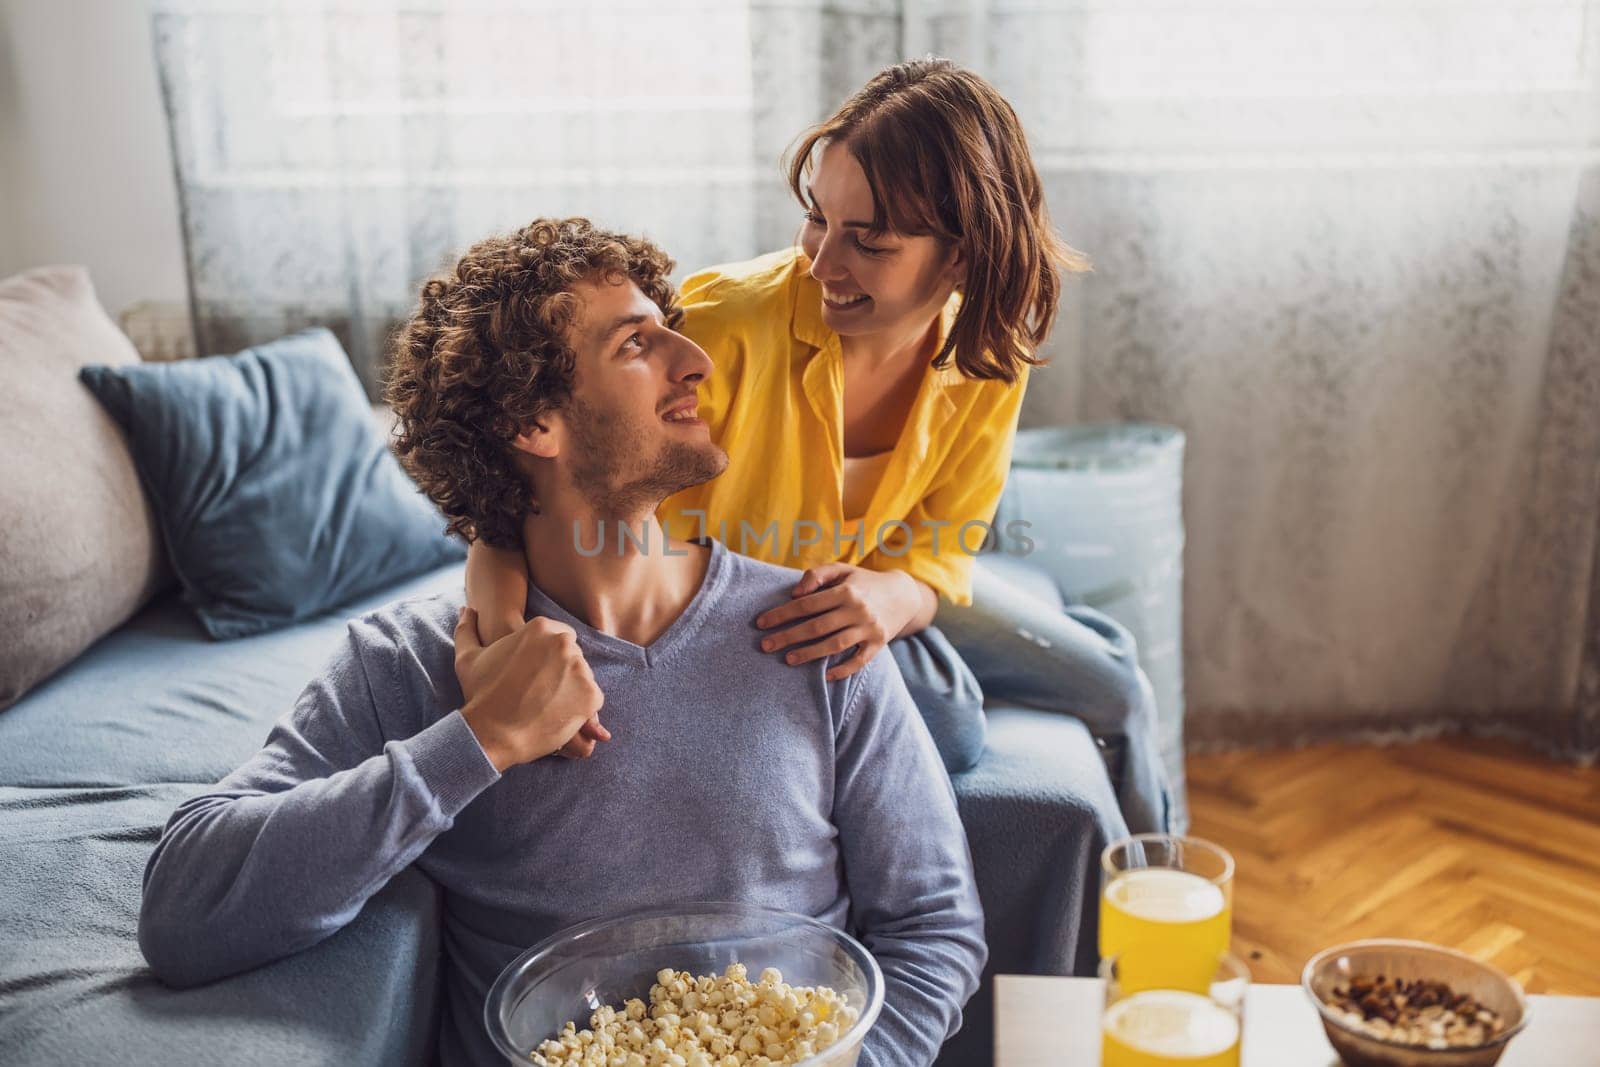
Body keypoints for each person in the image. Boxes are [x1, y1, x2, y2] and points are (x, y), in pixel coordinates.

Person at [137, 219, 987, 1067]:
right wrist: (478, 742)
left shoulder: (813, 630)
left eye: (674, 334)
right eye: (636, 345)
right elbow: (183, 909)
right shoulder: (406, 663)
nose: (696, 363)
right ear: (532, 419)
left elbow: (935, 926)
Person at [463, 58, 1170, 834]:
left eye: (869, 242)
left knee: (1117, 687)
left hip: (871, 579)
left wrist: (898, 598)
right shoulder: (720, 326)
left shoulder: (983, 357)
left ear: (960, 256)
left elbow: (943, 539)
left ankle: (1153, 895)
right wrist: (504, 641)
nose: (822, 262)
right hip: (753, 614)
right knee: (954, 722)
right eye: (817, 218)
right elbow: (514, 501)